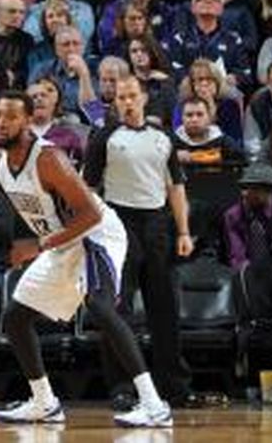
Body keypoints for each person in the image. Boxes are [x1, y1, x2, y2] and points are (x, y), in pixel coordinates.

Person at [0, 90, 173, 427]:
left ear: (28, 121)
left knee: (101, 306)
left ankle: (153, 403)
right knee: (15, 317)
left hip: (95, 235)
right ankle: (44, 402)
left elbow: (90, 215)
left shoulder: (49, 159)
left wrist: (38, 246)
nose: (2, 122)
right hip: (60, 240)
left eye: (11, 116)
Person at [83, 75, 194, 405]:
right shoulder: (105, 137)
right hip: (118, 222)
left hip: (158, 223)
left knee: (166, 309)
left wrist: (184, 231)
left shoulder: (163, 138)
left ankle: (174, 387)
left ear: (143, 98)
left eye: (132, 96)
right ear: (115, 102)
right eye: (121, 97)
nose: (127, 102)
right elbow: (87, 188)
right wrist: (87, 230)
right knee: (118, 309)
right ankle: (122, 388)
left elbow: (176, 186)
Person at [174, 58, 243, 144]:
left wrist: (211, 108)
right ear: (192, 84)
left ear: (217, 82)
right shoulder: (183, 105)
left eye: (209, 79)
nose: (204, 84)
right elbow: (178, 135)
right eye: (199, 80)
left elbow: (235, 140)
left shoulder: (229, 105)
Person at [172, 96, 244, 165]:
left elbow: (243, 161)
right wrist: (174, 157)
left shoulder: (224, 143)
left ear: (209, 117)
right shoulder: (171, 143)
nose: (194, 119)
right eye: (189, 115)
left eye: (200, 114)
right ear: (182, 118)